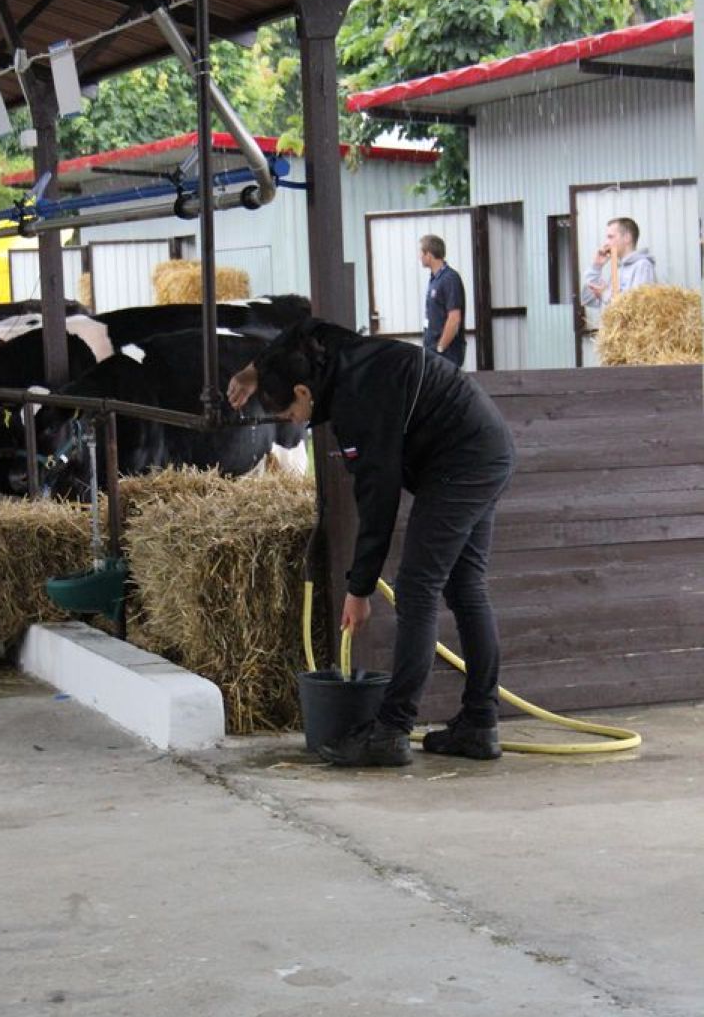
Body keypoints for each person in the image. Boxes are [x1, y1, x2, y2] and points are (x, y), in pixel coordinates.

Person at [227, 318, 515, 767]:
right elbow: (301, 329)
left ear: (304, 393)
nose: (292, 423)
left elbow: (377, 504)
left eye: (288, 414)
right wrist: (253, 371)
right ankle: (480, 723)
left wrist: (359, 589)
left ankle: (391, 731)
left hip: (462, 460)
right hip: (485, 446)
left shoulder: (358, 404)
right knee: (464, 588)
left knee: (417, 590)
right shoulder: (336, 354)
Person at [580, 217, 656, 308]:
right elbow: (588, 299)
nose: (606, 243)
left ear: (627, 238)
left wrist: (605, 294)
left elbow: (639, 307)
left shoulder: (643, 266)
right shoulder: (617, 268)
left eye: (610, 237)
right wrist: (596, 267)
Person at [420, 234, 466, 366]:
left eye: (421, 253)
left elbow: (454, 318)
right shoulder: (435, 279)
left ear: (429, 254)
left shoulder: (449, 279)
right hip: (433, 350)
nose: (420, 257)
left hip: (446, 353)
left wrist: (441, 347)